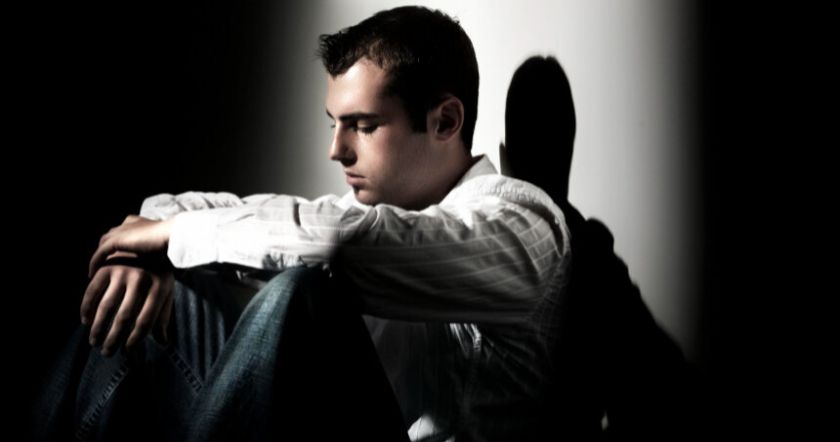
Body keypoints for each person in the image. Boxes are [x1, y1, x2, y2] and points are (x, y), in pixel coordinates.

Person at [33, 6, 575, 441]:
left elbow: (337, 242)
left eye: (363, 126)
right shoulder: (383, 216)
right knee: (152, 294)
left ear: (445, 121)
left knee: (300, 292)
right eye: (335, 124)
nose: (337, 150)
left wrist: (173, 236)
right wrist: (149, 245)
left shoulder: (521, 224)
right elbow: (206, 210)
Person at [500, 55, 695, 439]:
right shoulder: (597, 263)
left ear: (504, 157)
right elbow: (673, 387)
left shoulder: (475, 254)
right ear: (569, 152)